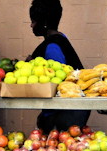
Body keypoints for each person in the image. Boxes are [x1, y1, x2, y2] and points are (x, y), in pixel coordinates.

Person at [28, 0, 91, 132]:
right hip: (74, 110)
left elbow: (57, 84)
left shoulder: (52, 47)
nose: (31, 25)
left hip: (66, 113)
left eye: (33, 21)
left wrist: (31, 67)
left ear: (44, 23)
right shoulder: (61, 38)